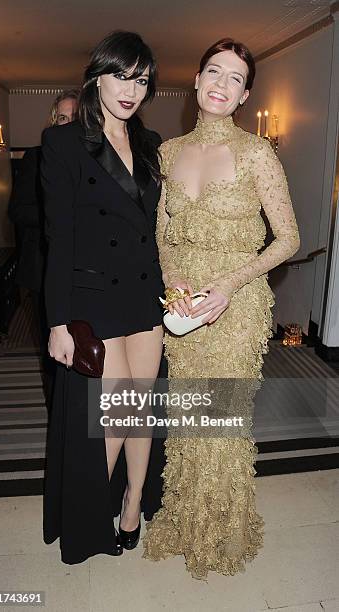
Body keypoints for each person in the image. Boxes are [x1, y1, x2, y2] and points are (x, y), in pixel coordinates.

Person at [143, 37, 300, 579]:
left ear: (244, 95)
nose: (221, 83)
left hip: (236, 305)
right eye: (214, 71)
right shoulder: (166, 151)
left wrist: (230, 283)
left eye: (234, 78)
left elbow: (288, 239)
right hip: (184, 305)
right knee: (189, 418)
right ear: (196, 80)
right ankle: (187, 519)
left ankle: (221, 528)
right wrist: (174, 279)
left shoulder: (259, 153)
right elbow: (162, 232)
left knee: (223, 420)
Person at [41, 31, 166, 563]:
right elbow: (59, 237)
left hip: (147, 295)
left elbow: (164, 225)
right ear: (97, 76)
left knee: (141, 411)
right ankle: (93, 519)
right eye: (121, 75)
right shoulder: (64, 143)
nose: (130, 90)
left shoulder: (151, 143)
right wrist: (57, 321)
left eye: (140, 80)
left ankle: (134, 503)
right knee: (115, 417)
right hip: (96, 300)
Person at [8, 89, 79, 409]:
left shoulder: (97, 158)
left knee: (88, 349)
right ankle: (57, 417)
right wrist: (61, 215)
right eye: (62, 118)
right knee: (53, 352)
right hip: (42, 270)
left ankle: (85, 416)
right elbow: (18, 211)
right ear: (53, 122)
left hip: (86, 274)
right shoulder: (36, 157)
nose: (68, 124)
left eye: (75, 118)